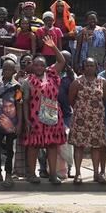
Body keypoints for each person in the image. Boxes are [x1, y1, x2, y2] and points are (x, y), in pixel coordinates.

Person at [23, 55, 67, 184]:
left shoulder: (52, 76)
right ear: (32, 66)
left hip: (52, 115)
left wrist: (53, 47)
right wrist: (26, 120)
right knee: (34, 145)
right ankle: (31, 174)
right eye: (36, 65)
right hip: (34, 116)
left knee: (52, 145)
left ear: (45, 66)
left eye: (42, 65)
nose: (39, 67)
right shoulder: (27, 81)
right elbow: (24, 102)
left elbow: (62, 60)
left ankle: (53, 174)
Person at [69, 57, 106, 184]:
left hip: (97, 119)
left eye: (92, 65)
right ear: (83, 67)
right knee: (79, 146)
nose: (89, 68)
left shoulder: (103, 82)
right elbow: (71, 99)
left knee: (96, 146)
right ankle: (78, 173)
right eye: (87, 65)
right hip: (81, 118)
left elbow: (105, 99)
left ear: (96, 67)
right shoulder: (77, 82)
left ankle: (96, 173)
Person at [0, 57, 25, 187]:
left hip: (11, 122)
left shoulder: (18, 87)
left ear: (14, 71)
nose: (7, 71)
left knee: (10, 149)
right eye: (5, 69)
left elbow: (20, 105)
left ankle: (8, 174)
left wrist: (20, 123)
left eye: (10, 69)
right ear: (2, 70)